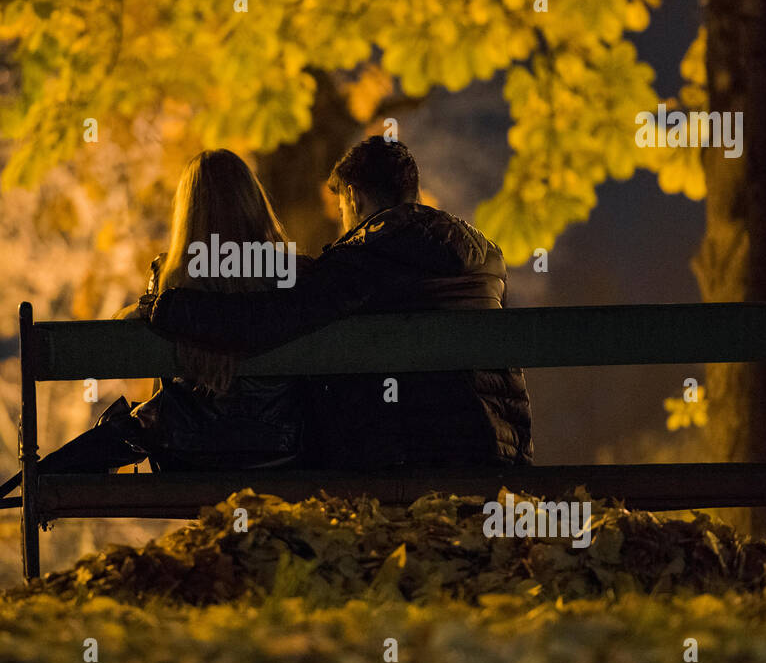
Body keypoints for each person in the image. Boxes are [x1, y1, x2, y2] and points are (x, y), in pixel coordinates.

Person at [139, 135, 533, 471]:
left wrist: (168, 308)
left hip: (416, 450)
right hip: (499, 443)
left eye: (342, 208)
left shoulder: (372, 255)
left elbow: (266, 321)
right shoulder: (480, 253)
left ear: (354, 196)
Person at [0, 149, 307, 488]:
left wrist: (145, 308)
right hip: (282, 453)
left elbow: (120, 337)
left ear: (188, 213)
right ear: (253, 202)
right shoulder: (295, 275)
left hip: (188, 458)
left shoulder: (170, 281)